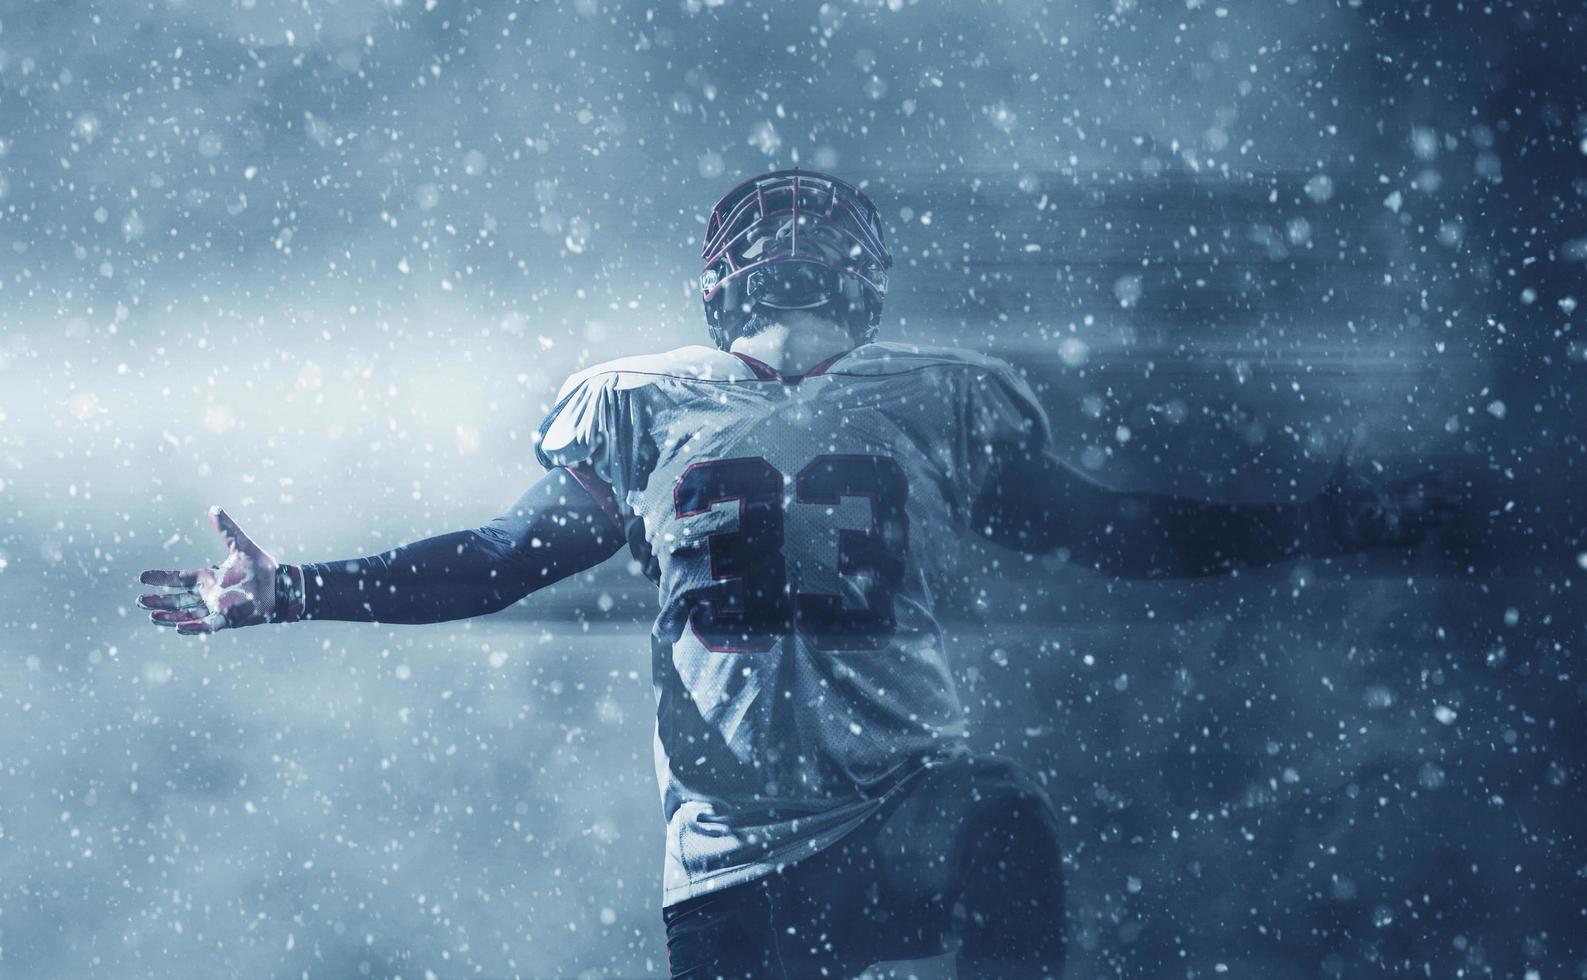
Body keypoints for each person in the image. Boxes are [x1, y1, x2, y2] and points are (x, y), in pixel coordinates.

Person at [139, 170, 1454, 978]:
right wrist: (1327, 519)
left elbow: (493, 565)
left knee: (999, 829)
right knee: (1003, 833)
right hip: (885, 823)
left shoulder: (648, 404)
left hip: (738, 863)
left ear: (719, 280)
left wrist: (295, 590)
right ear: (864, 276)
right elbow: (1129, 537)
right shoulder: (934, 398)